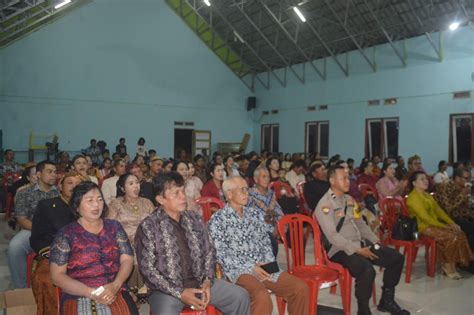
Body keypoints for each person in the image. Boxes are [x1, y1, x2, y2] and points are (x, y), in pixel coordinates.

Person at [134, 172, 250, 315]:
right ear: (160, 199)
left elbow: (209, 251)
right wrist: (180, 292)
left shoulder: (194, 219)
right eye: (176, 193)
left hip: (200, 284)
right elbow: (148, 270)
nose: (183, 196)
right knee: (166, 312)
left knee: (240, 296)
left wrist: (207, 281)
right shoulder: (148, 226)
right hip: (166, 291)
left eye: (182, 191)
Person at [315, 165, 409, 315]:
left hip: (360, 245)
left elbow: (360, 223)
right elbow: (332, 236)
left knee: (396, 258)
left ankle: (387, 301)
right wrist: (358, 250)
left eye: (348, 177)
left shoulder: (349, 200)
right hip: (339, 249)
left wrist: (375, 241)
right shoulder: (325, 205)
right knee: (367, 270)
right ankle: (363, 310)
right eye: (343, 178)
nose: (348, 181)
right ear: (332, 180)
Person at [208, 176, 309, 315]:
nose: (246, 193)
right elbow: (221, 255)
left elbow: (266, 242)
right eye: (242, 190)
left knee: (300, 288)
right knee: (262, 296)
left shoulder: (254, 214)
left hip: (263, 266)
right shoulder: (218, 220)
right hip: (238, 270)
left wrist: (267, 262)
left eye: (246, 189)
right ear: (230, 194)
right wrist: (251, 267)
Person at [49, 181, 138, 314]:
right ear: (77, 206)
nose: (96, 205)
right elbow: (57, 275)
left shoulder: (114, 227)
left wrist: (115, 285)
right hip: (78, 292)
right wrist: (91, 292)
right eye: (89, 200)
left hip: (114, 288)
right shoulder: (66, 234)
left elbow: (127, 259)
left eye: (99, 199)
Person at [30, 172, 83, 315]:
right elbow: (37, 238)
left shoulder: (88, 206)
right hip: (54, 255)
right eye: (69, 183)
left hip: (84, 254)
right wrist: (54, 255)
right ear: (60, 186)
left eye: (77, 185)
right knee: (47, 280)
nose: (73, 187)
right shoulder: (46, 205)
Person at [406, 171, 473, 279]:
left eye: (426, 179)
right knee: (450, 236)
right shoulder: (413, 198)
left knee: (459, 232)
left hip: (434, 225)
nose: (426, 181)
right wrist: (444, 227)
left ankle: (453, 265)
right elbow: (425, 218)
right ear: (414, 183)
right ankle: (446, 266)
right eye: (422, 179)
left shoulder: (427, 196)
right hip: (423, 228)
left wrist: (452, 223)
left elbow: (439, 211)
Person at [8, 161, 59, 288]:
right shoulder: (24, 192)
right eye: (49, 171)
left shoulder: (60, 193)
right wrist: (40, 230)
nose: (54, 175)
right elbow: (21, 218)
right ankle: (21, 287)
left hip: (57, 231)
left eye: (55, 172)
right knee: (15, 247)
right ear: (39, 174)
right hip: (31, 230)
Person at [107, 173, 154, 296]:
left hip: (145, 241)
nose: (136, 186)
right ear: (122, 188)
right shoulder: (116, 204)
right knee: (131, 250)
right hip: (124, 242)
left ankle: (146, 288)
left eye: (137, 183)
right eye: (131, 183)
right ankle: (132, 290)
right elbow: (110, 228)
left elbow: (155, 225)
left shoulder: (147, 202)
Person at [435, 167, 474, 253]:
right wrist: (462, 195)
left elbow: (465, 208)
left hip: (460, 217)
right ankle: (467, 262)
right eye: (466, 178)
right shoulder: (444, 187)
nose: (469, 181)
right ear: (457, 178)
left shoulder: (462, 188)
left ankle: (468, 257)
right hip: (447, 219)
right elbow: (448, 209)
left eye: (470, 178)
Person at [248, 167, 284, 257]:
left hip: (271, 225)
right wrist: (270, 225)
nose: (267, 179)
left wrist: (278, 224)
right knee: (271, 242)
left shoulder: (271, 193)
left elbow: (278, 210)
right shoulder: (250, 194)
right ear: (256, 179)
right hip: (256, 229)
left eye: (268, 177)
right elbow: (250, 216)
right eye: (264, 177)